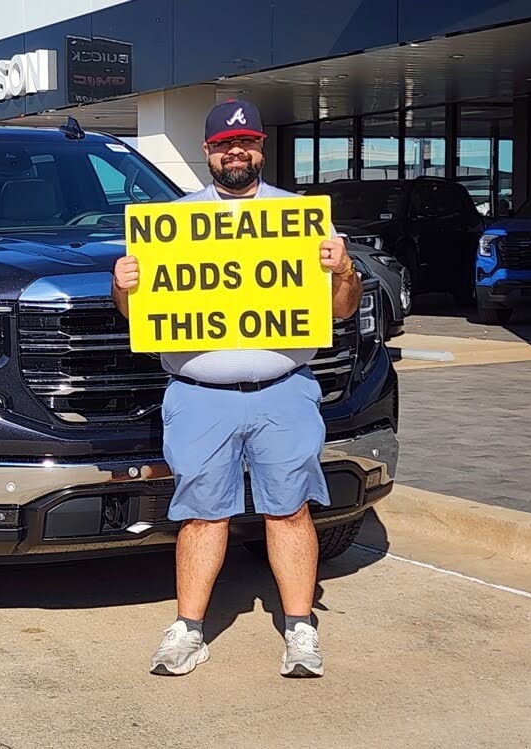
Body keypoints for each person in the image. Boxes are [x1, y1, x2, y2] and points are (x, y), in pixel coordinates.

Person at [112, 100, 362, 678]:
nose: (236, 152)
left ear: (260, 149)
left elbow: (341, 311)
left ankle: (301, 630)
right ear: (208, 152)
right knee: (201, 514)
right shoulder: (169, 224)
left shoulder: (301, 217)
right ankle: (188, 630)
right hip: (198, 393)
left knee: (290, 511)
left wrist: (343, 271)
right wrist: (122, 285)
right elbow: (136, 314)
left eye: (246, 142)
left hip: (284, 388)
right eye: (225, 144)